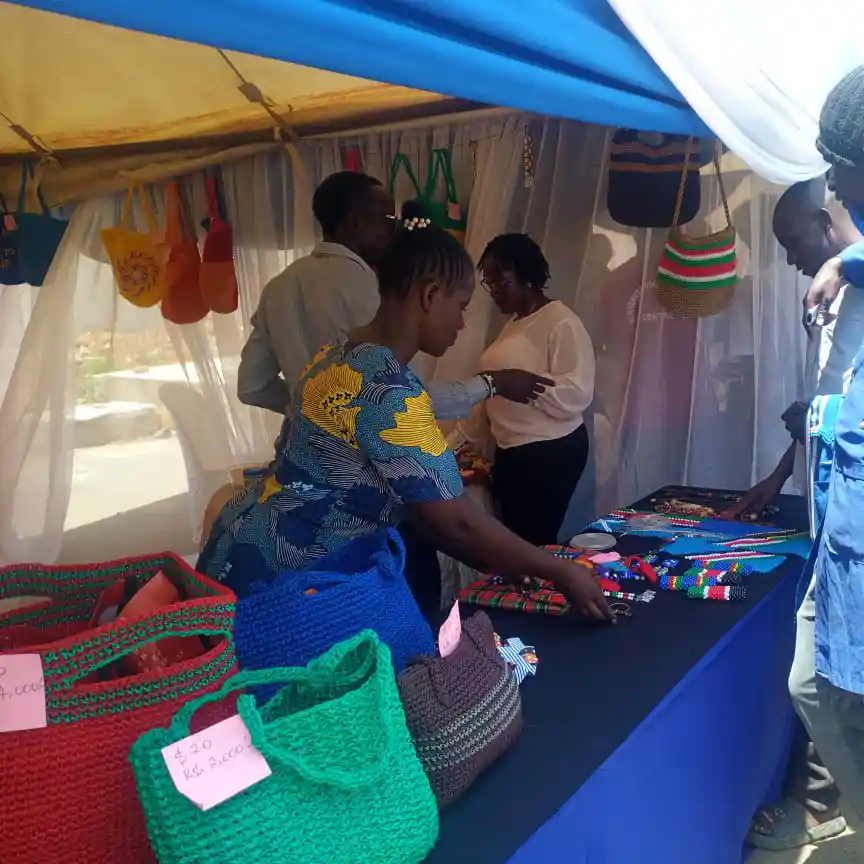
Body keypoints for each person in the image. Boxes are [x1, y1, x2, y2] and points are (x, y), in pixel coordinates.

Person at [199, 227, 614, 625]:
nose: (462, 323)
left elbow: (427, 513)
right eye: (462, 306)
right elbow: (458, 522)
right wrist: (562, 572)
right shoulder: (390, 391)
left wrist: (511, 559)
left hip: (243, 548)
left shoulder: (334, 356)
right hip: (295, 582)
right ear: (431, 296)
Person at [724, 178, 863, 850]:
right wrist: (781, 469)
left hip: (857, 528)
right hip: (829, 520)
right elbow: (821, 403)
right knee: (813, 683)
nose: (788, 261)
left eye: (793, 243)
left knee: (835, 683)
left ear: (824, 218)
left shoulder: (853, 273)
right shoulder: (836, 292)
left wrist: (848, 261)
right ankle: (838, 803)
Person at [236, 170, 552, 421]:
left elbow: (252, 386)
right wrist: (490, 384)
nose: (396, 229)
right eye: (389, 220)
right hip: (368, 466)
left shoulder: (278, 288)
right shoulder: (373, 289)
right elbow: (400, 397)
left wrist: (309, 408)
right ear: (355, 223)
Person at [779, 63, 864, 824]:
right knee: (809, 685)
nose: (833, 183)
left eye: (841, 167)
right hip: (835, 540)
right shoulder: (847, 279)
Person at [475, 234, 595, 545]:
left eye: (502, 282)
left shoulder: (560, 322)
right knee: (520, 545)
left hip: (547, 453)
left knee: (532, 546)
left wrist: (522, 385)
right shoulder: (515, 323)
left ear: (527, 276)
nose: (495, 292)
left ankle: (543, 594)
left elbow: (577, 392)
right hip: (513, 452)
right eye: (489, 284)